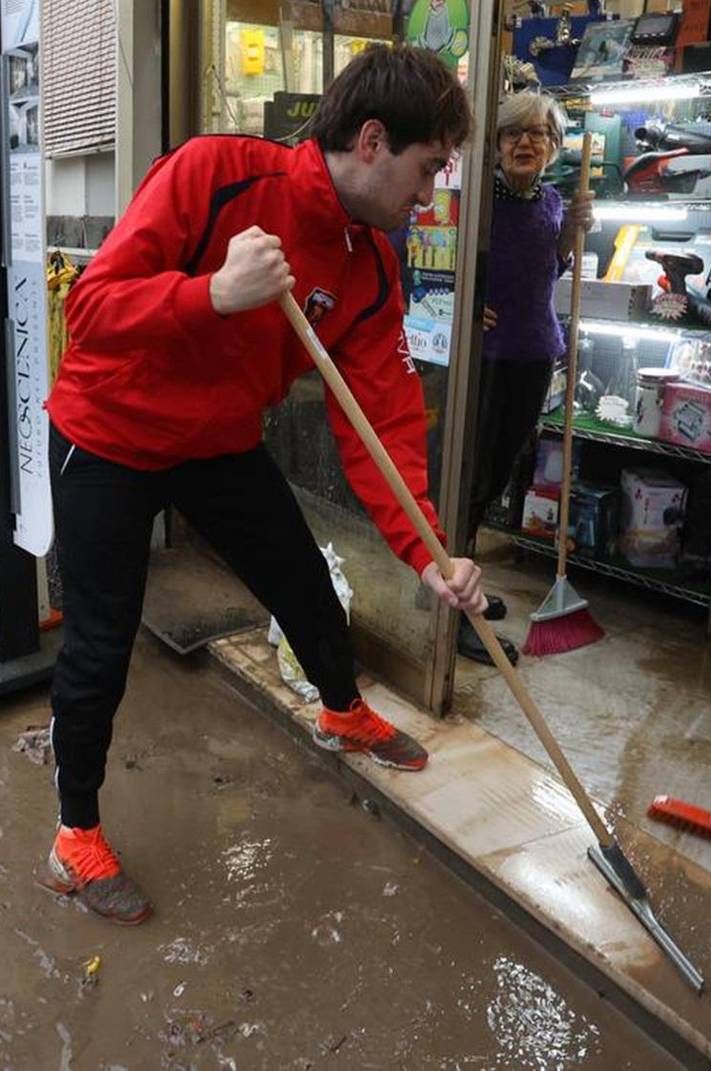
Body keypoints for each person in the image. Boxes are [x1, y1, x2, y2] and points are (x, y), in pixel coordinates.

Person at [41, 45, 489, 926]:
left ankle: (341, 709)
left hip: (215, 441)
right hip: (109, 430)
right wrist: (212, 293)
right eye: (428, 168)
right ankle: (73, 834)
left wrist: (426, 554)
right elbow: (92, 307)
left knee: (302, 580)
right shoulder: (217, 174)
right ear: (372, 140)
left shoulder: (369, 267)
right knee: (98, 640)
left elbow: (383, 420)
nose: (430, 195)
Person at [460, 91, 593, 661]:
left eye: (538, 134)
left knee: (497, 478)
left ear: (554, 147)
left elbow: (551, 266)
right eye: (513, 133)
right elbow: (442, 259)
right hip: (485, 354)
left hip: (534, 351)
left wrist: (574, 230)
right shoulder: (475, 203)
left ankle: (464, 582)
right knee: (469, 478)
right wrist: (467, 297)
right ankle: (455, 598)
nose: (525, 143)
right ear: (494, 145)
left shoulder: (553, 202)